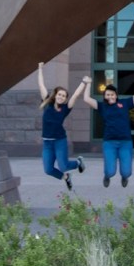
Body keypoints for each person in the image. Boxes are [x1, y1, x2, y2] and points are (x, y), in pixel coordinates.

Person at [83, 71, 134, 187]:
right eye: (107, 95)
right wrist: (88, 84)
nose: (110, 96)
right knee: (110, 171)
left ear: (116, 95)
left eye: (112, 94)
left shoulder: (124, 103)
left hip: (125, 142)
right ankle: (107, 176)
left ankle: (124, 177)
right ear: (104, 96)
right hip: (109, 142)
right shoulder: (102, 107)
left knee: (127, 172)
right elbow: (86, 99)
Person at [38, 62, 86, 190]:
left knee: (63, 166)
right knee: (48, 170)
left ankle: (78, 162)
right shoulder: (47, 103)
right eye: (59, 94)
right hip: (47, 143)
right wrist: (40, 68)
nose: (61, 97)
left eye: (64, 96)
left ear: (65, 99)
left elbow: (76, 95)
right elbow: (41, 85)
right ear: (56, 95)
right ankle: (66, 178)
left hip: (60, 141)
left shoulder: (65, 108)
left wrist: (84, 82)